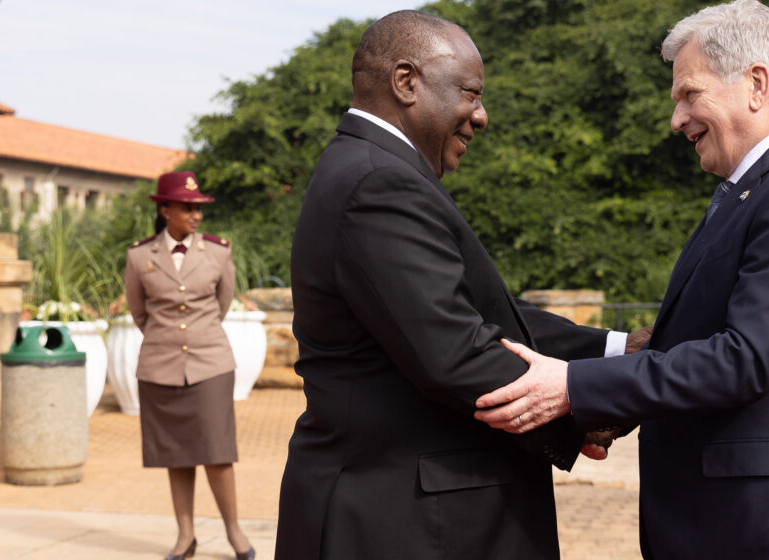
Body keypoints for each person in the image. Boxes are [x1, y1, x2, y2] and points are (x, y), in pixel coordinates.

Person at [474, 1, 769, 558]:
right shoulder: (758, 187)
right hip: (736, 521)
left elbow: (744, 360)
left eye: (689, 95)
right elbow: (694, 345)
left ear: (756, 84)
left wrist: (573, 387)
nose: (677, 120)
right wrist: (612, 409)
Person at [275, 10, 643, 560]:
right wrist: (589, 395)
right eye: (470, 93)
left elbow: (478, 317)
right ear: (406, 83)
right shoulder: (380, 183)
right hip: (405, 522)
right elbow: (455, 353)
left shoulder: (378, 172)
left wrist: (615, 350)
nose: (482, 115)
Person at [124, 171, 255, 560]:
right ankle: (186, 536)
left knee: (217, 452)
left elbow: (221, 304)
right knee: (174, 455)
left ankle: (235, 533)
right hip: (160, 367)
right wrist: (169, 340)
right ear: (164, 209)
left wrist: (195, 336)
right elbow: (139, 312)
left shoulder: (218, 251)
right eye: (187, 208)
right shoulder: (138, 255)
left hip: (210, 363)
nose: (196, 215)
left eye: (199, 208)